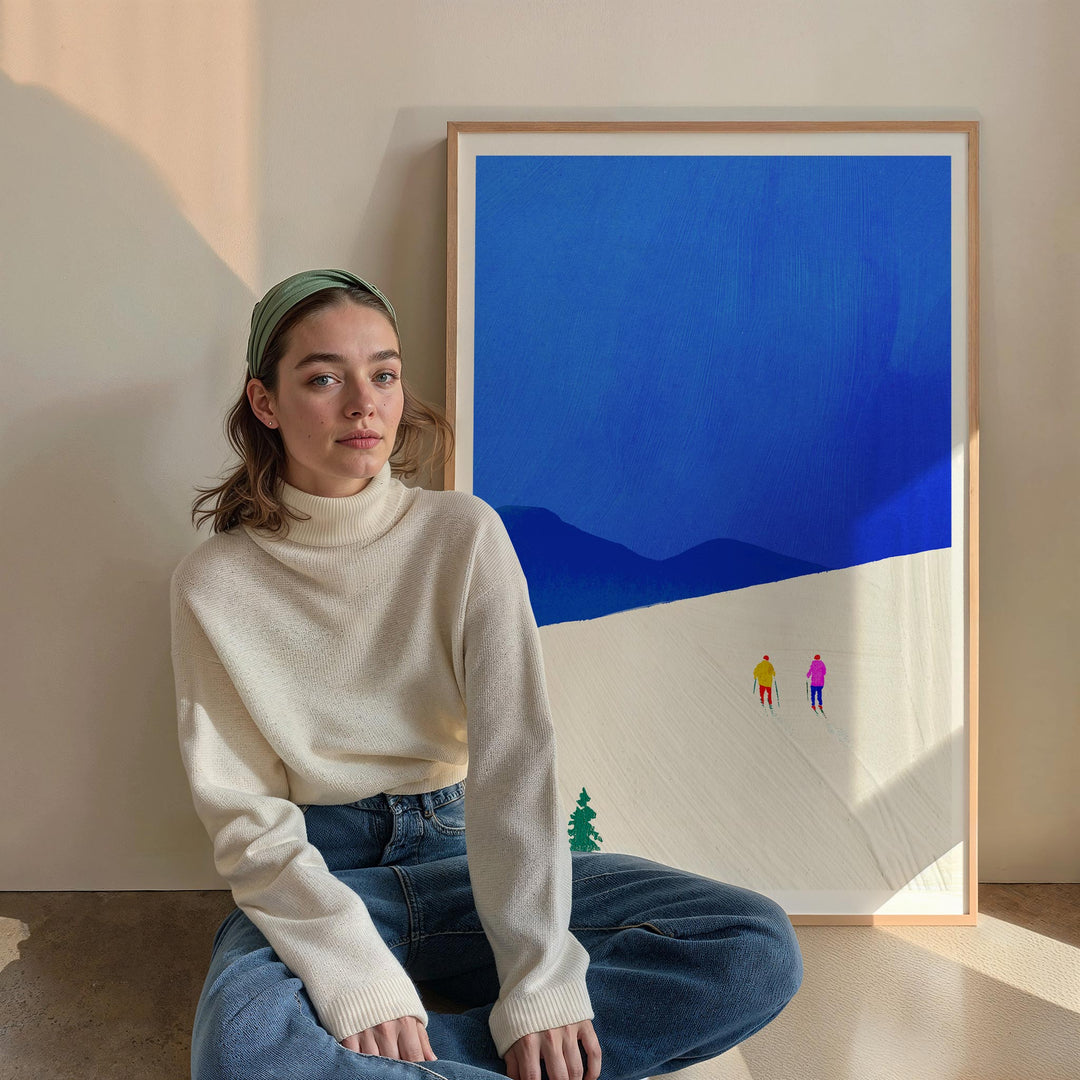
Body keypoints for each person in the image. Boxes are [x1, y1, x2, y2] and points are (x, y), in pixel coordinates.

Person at [170, 269, 803, 1080]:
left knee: (753, 948)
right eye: (325, 377)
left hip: (468, 861)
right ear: (265, 402)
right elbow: (245, 814)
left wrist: (540, 979)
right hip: (319, 880)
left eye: (385, 374)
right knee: (242, 1053)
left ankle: (421, 1060)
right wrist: (356, 976)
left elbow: (515, 760)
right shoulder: (215, 582)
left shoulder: (461, 535)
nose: (365, 404)